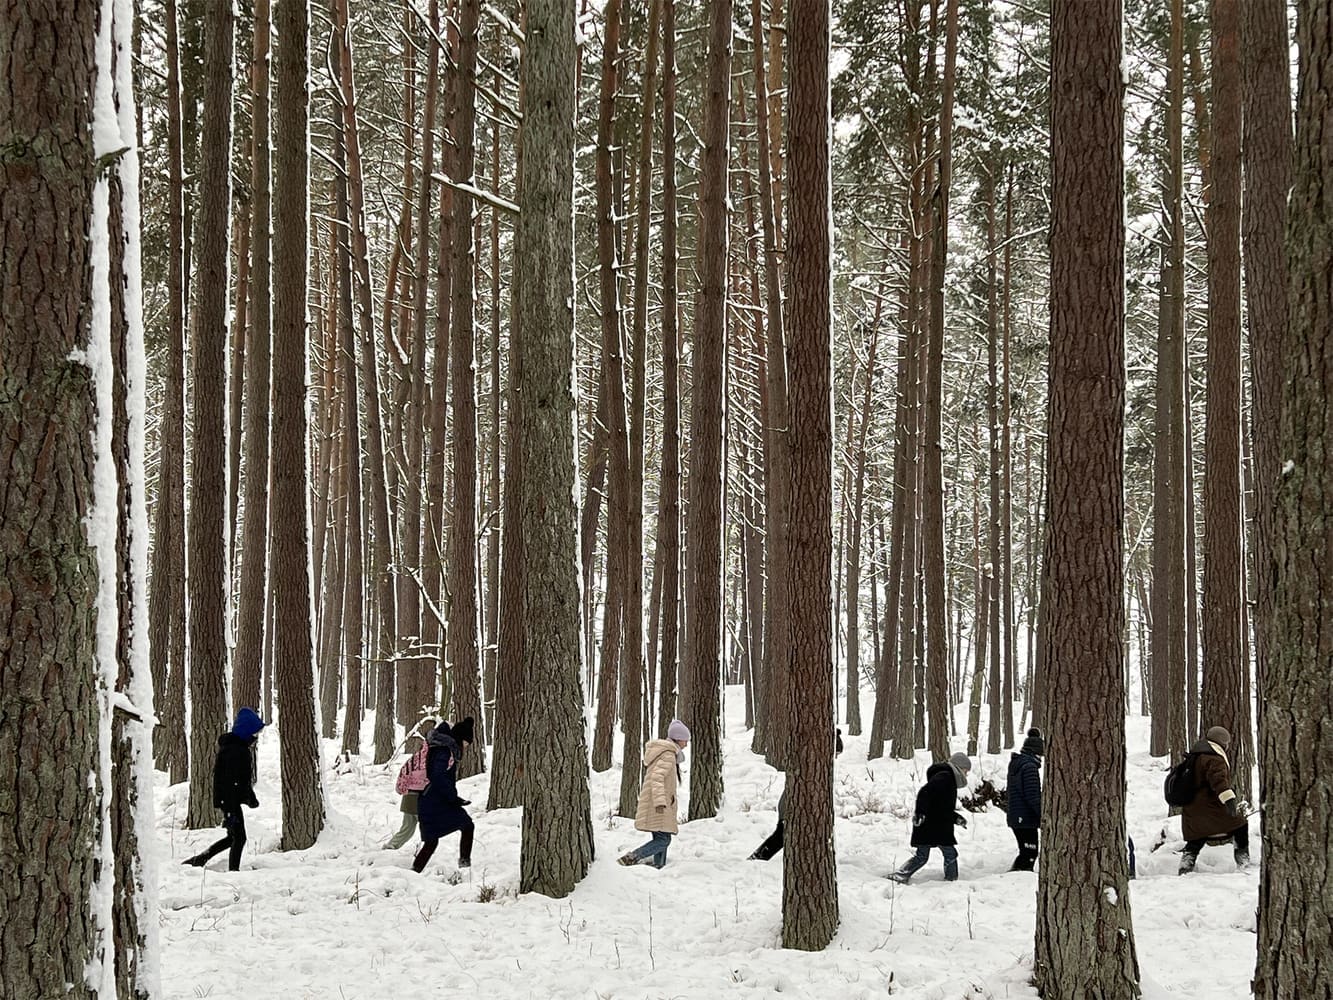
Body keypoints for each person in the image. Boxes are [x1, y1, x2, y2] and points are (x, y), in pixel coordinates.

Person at [183, 708, 266, 871]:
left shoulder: (237, 748)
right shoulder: (235, 750)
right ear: (246, 731)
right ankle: (232, 871)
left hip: (229, 800)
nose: (255, 738)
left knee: (233, 837)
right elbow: (230, 781)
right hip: (229, 801)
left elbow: (241, 781)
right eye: (254, 734)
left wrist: (249, 798)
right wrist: (230, 808)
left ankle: (199, 859)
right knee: (239, 838)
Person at [749, 729, 843, 861]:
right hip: (790, 805)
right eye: (836, 754)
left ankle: (759, 857)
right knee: (780, 837)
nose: (836, 757)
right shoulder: (812, 765)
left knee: (782, 836)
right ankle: (758, 858)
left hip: (790, 804)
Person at [887, 752, 972, 883]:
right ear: (959, 767)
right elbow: (924, 793)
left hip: (933, 824)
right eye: (966, 770)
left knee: (923, 856)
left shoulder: (947, 778)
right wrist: (920, 813)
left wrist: (956, 818)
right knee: (949, 854)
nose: (967, 774)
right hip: (934, 825)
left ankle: (902, 874)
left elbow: (942, 806)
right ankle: (951, 880)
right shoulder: (945, 777)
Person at [619, 720, 690, 869]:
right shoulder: (668, 756)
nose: (686, 744)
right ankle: (633, 857)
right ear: (678, 738)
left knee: (662, 835)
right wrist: (660, 802)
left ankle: (659, 865)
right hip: (659, 803)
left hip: (661, 802)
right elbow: (656, 778)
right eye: (685, 740)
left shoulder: (667, 754)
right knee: (663, 839)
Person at [1179, 725, 1249, 874]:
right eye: (1227, 743)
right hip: (1209, 807)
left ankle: (1186, 863)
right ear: (1222, 742)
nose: (1228, 746)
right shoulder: (1214, 758)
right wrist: (1229, 800)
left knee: (1197, 837)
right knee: (1240, 825)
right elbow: (1218, 781)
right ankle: (1242, 859)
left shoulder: (1196, 755)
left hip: (1191, 808)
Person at [413, 717, 475, 873]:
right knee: (467, 825)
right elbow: (438, 776)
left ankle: (414, 872)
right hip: (435, 801)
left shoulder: (443, 748)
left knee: (431, 841)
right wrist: (453, 797)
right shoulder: (445, 750)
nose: (466, 747)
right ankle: (465, 867)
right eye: (466, 743)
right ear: (460, 739)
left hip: (431, 800)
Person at [384, 720, 435, 851]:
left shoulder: (415, 758)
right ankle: (426, 852)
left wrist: (401, 789)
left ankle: (390, 846)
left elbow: (404, 773)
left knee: (407, 828)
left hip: (409, 797)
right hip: (422, 798)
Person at [1006, 728, 1043, 871]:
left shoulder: (1017, 764)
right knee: (1030, 852)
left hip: (1017, 817)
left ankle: (1017, 873)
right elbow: (1033, 795)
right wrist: (1042, 815)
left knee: (1026, 851)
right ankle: (1018, 875)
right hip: (1025, 819)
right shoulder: (1029, 767)